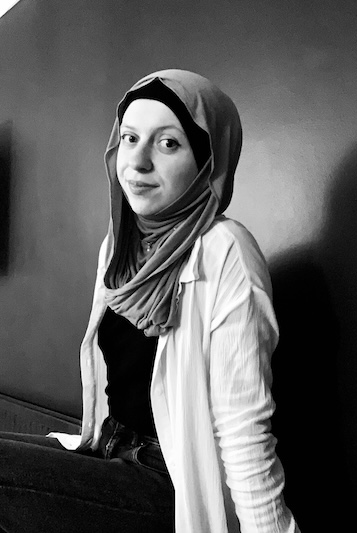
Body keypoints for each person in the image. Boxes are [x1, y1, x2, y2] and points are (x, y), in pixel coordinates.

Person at [0, 69, 300, 532]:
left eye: (168, 143)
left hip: (168, 481)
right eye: (129, 138)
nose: (137, 162)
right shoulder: (120, 246)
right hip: (106, 448)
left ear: (208, 161)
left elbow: (243, 430)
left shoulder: (225, 251)